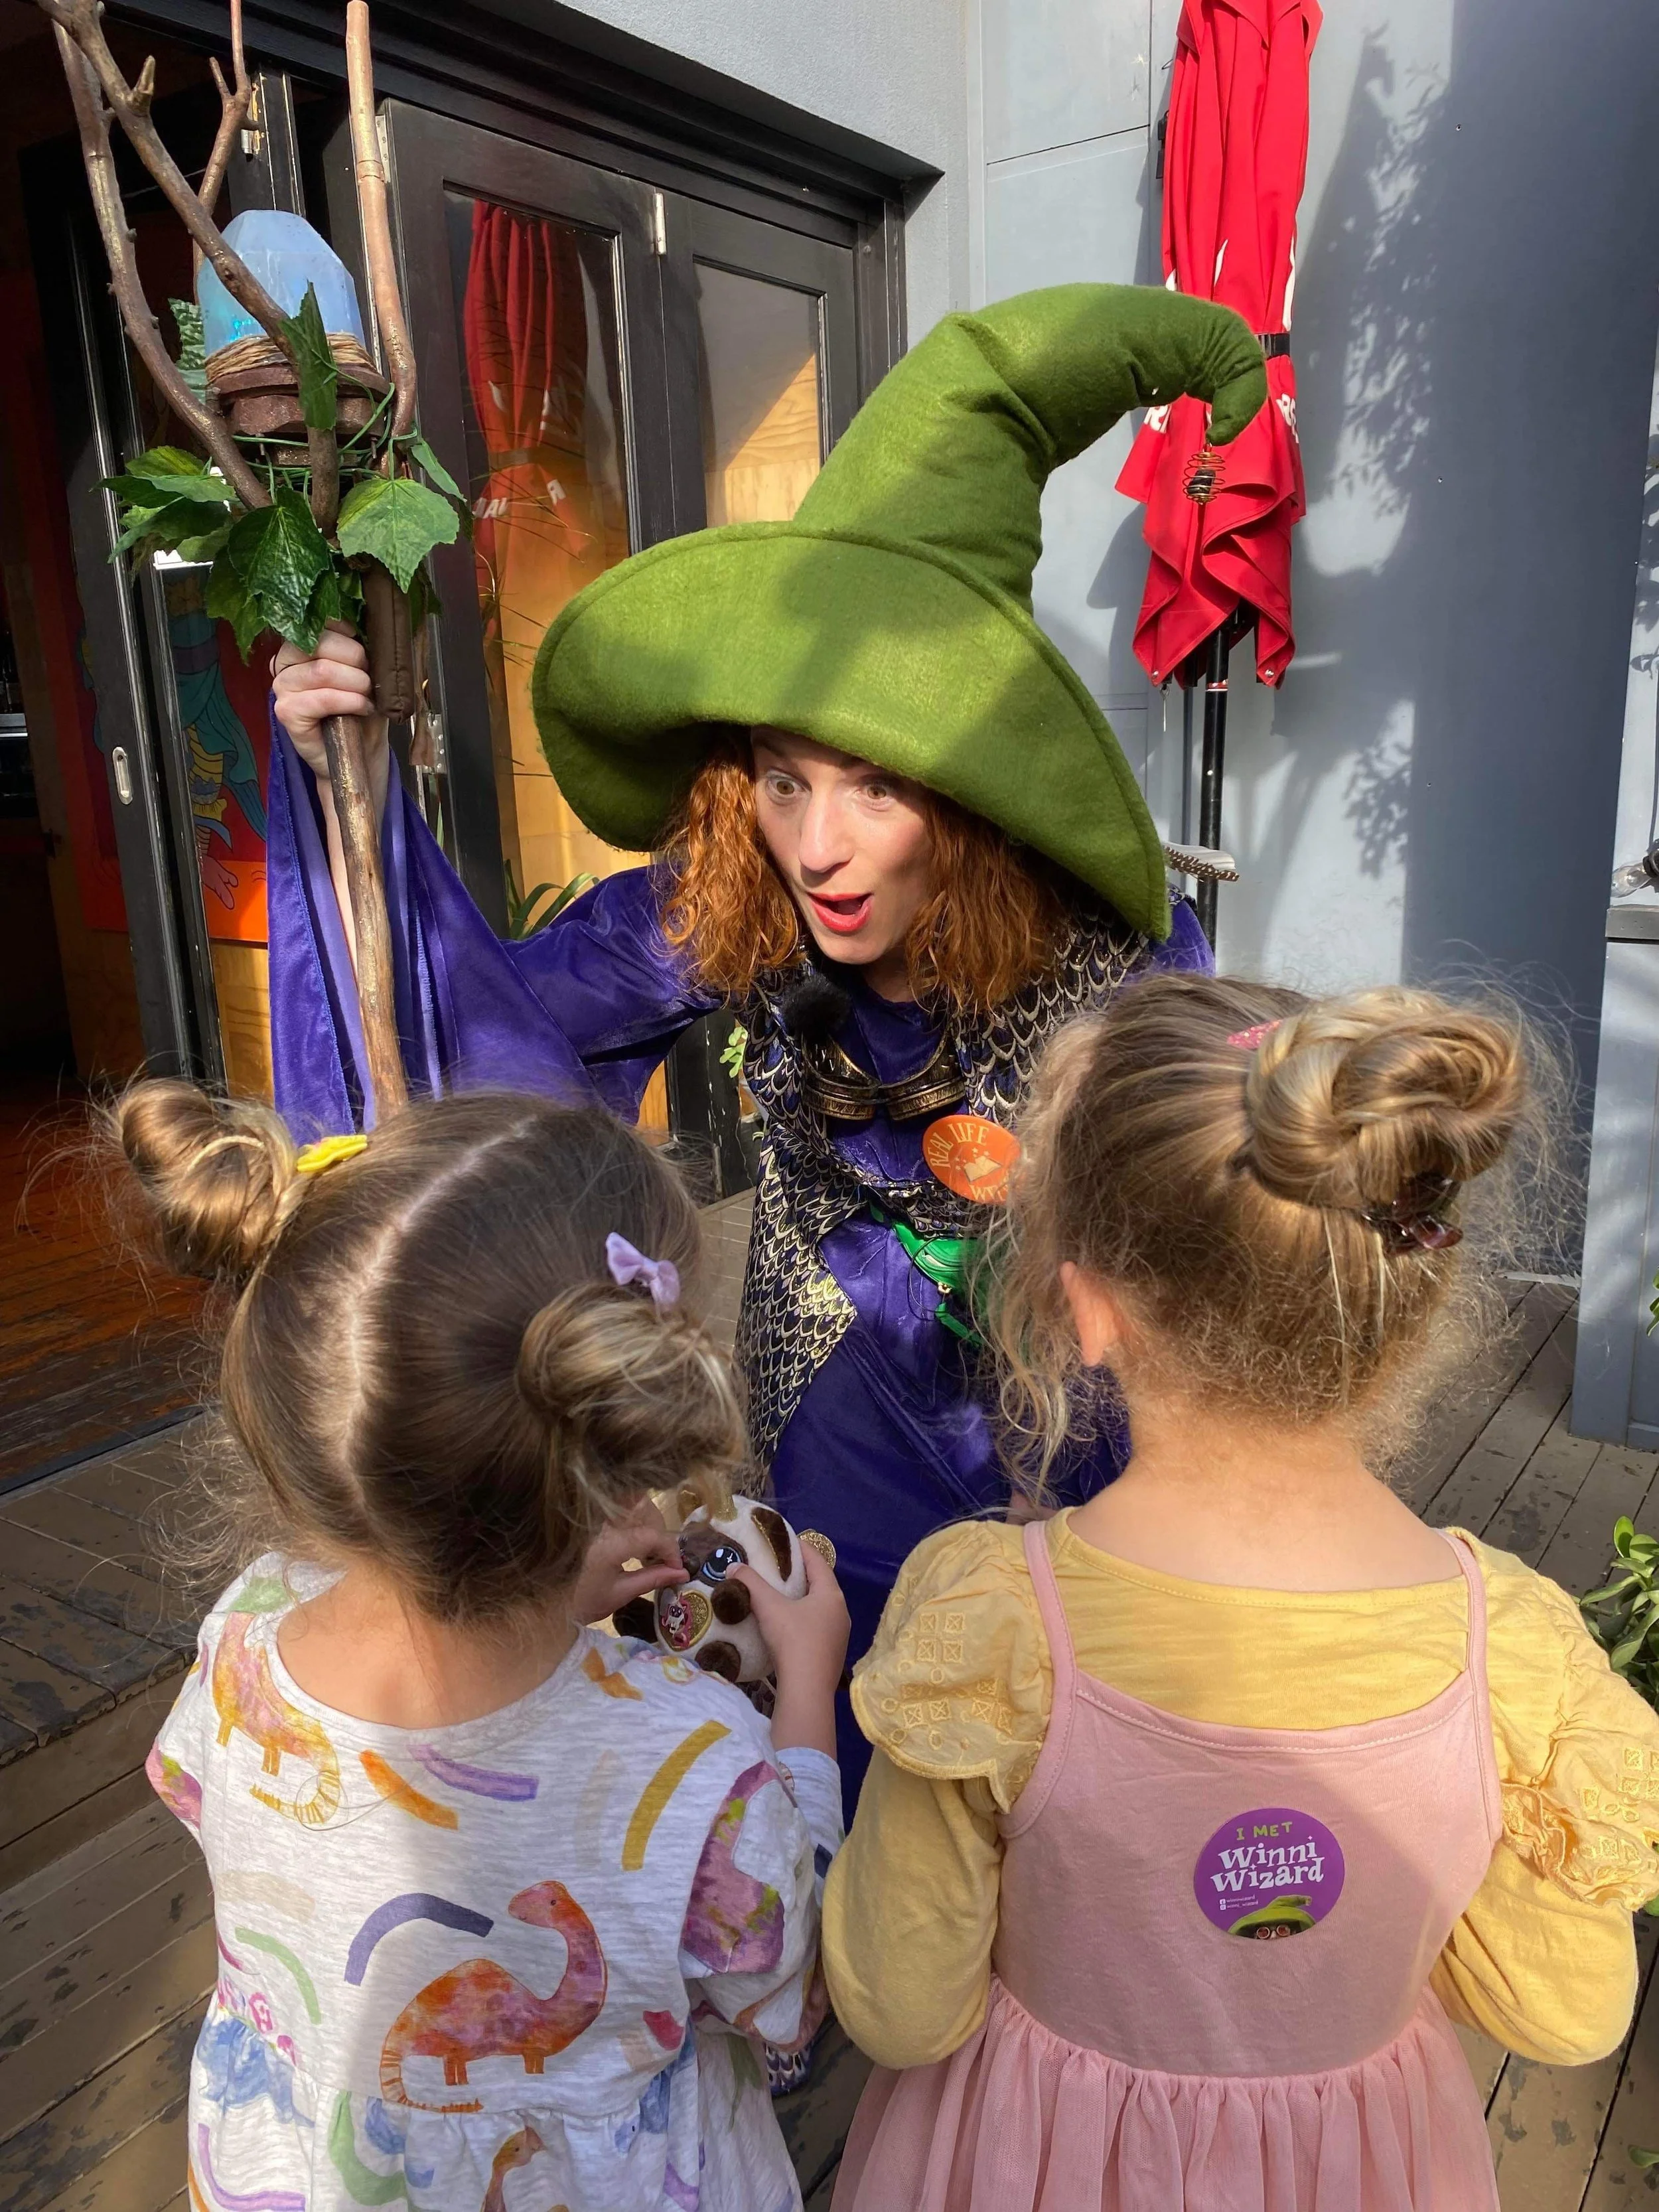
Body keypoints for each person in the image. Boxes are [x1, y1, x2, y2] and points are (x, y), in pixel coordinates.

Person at [267, 283, 1268, 1802]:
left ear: (975, 791)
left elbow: (1226, 1190)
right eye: (785, 781)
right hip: (832, 1384)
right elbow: (487, 1023)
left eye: (875, 787)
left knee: (1071, 1758)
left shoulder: (1117, 959)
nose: (820, 846)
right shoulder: (728, 900)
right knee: (852, 1722)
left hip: (1079, 1413)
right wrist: (345, 783)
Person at [822, 974, 1659, 2211]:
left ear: (1086, 1308)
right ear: (1406, 1314)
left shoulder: (994, 1628)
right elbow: (1568, 2012)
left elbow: (901, 2006)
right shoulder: (1514, 1649)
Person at [116, 1081, 849, 2212]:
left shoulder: (242, 1636)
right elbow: (787, 1993)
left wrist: (552, 1581)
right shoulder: (695, 1761)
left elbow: (192, 1787)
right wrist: (805, 1697)